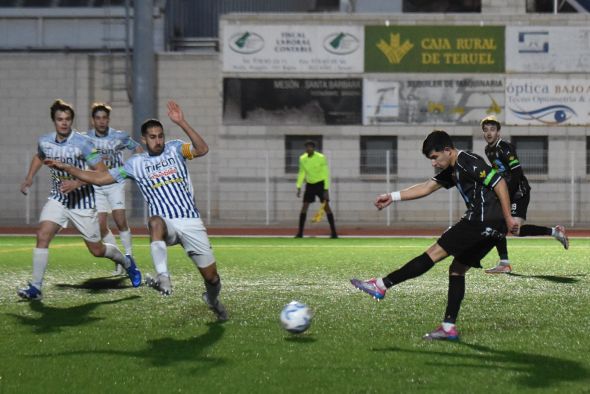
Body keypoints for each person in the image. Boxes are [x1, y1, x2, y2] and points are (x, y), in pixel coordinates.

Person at [45, 100, 228, 321]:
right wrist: (69, 168)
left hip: (190, 222)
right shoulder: (135, 164)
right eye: (152, 137)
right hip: (165, 223)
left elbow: (202, 149)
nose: (158, 140)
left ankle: (213, 300)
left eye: (160, 135)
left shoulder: (176, 148)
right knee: (155, 222)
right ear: (144, 139)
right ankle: (163, 276)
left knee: (212, 278)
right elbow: (101, 178)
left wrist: (182, 122)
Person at [350, 130, 519, 341]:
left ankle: (381, 285)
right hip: (493, 228)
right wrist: (392, 197)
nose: (433, 162)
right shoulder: (452, 167)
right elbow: (427, 187)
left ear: (447, 150)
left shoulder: (466, 160)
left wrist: (509, 217)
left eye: (434, 157)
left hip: (479, 220)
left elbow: (499, 183)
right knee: (457, 269)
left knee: (433, 253)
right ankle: (448, 327)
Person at [18, 99, 142, 300]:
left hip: (83, 203)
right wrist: (29, 177)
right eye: (60, 119)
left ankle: (128, 263)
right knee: (42, 234)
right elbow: (40, 156)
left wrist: (77, 183)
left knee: (97, 249)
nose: (64, 123)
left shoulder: (83, 143)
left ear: (71, 120)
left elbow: (101, 171)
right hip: (58, 198)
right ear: (54, 121)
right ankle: (36, 287)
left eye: (67, 119)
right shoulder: (45, 140)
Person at [480, 115, 568, 273]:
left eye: (492, 129)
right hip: (507, 192)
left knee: (513, 228)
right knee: (504, 226)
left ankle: (555, 232)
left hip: (519, 192)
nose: (489, 133)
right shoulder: (488, 149)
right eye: (486, 130)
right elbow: (499, 172)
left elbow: (516, 172)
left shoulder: (504, 147)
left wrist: (507, 193)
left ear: (498, 132)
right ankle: (504, 263)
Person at [86, 102, 143, 275]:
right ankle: (120, 261)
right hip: (96, 185)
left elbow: (137, 148)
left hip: (115, 183)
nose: (101, 121)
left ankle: (130, 258)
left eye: (104, 118)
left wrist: (138, 165)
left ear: (108, 119)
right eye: (98, 118)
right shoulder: (85, 138)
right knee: (101, 226)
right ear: (93, 120)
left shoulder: (120, 136)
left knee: (120, 221)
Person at [295, 140, 338, 238]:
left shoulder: (321, 157)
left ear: (313, 148)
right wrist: (298, 186)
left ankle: (334, 233)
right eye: (307, 147)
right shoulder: (302, 158)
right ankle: (300, 233)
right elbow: (301, 172)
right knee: (304, 206)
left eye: (310, 147)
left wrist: (326, 189)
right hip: (310, 185)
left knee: (326, 207)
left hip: (320, 185)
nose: (308, 149)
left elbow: (325, 173)